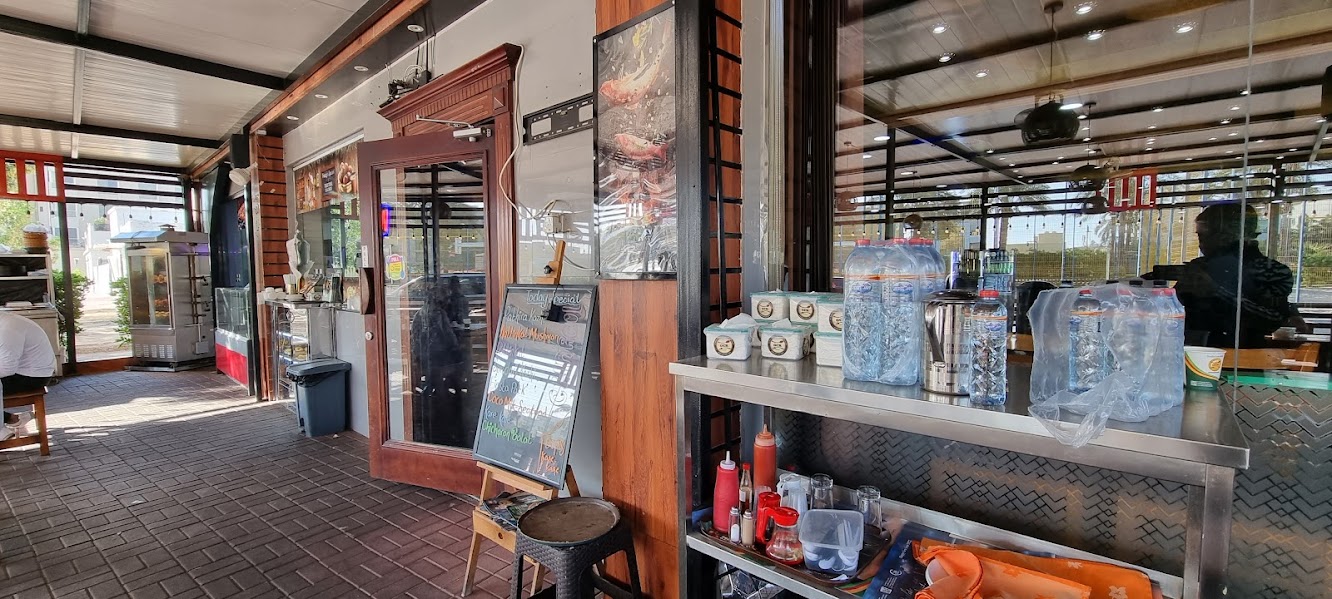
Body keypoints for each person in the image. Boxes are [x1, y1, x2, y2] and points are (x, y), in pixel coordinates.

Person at [1159, 203, 1301, 348]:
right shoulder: (1199, 267)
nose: (1200, 245)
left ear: (1226, 235)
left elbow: (1272, 320)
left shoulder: (1271, 270)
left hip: (1244, 355)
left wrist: (1215, 291)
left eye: (1203, 236)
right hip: (1193, 351)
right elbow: (1168, 312)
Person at [0, 310, 56, 440]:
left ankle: (2, 428)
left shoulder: (8, 329)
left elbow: (7, 368)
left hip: (33, 377)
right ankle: (10, 419)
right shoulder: (5, 321)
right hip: (25, 371)